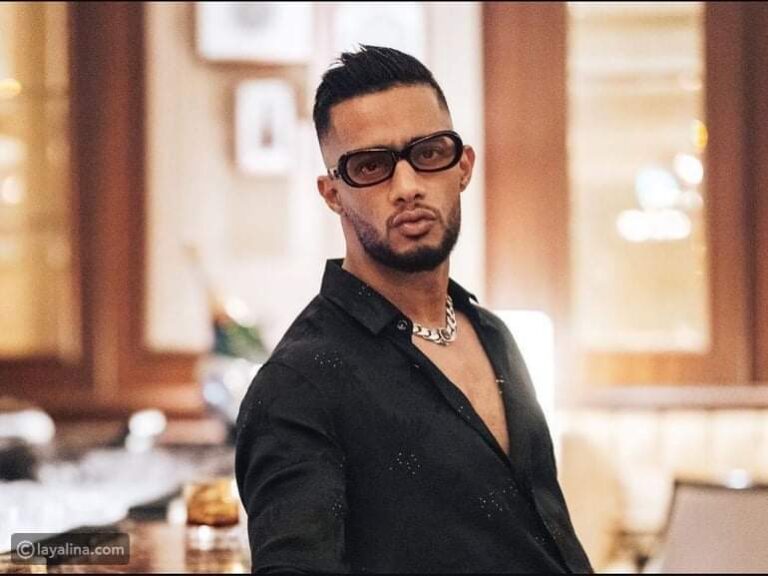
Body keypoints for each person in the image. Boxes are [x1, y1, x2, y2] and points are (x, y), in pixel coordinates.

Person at [235, 45, 592, 574]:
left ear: (462, 166)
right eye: (371, 166)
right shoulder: (298, 385)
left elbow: (547, 536)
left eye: (427, 154)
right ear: (332, 193)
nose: (406, 188)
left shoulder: (494, 335)